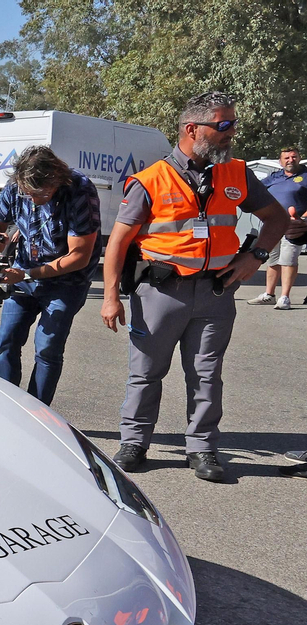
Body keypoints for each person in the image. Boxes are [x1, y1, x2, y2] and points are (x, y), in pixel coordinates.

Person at [100, 90, 297, 483]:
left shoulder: (237, 172)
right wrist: (110, 298)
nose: (232, 133)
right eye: (224, 125)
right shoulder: (150, 180)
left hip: (215, 293)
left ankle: (203, 448)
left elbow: (275, 219)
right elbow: (118, 243)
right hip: (160, 293)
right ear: (193, 129)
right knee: (146, 372)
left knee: (207, 374)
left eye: (233, 124)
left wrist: (254, 257)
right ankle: (135, 442)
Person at [0, 146, 101, 406]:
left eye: (39, 194)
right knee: (6, 342)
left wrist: (27, 273)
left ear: (56, 179)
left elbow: (78, 255)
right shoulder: (16, 187)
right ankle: (9, 407)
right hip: (23, 275)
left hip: (66, 281)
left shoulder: (80, 190)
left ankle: (37, 413)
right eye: (27, 194)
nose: (32, 200)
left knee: (47, 348)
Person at [246, 146, 307, 310]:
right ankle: (269, 295)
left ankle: (285, 297)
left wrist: (304, 218)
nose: (290, 160)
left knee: (288, 260)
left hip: (295, 226)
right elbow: (256, 191)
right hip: (273, 225)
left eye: (293, 157)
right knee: (272, 260)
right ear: (280, 161)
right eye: (286, 158)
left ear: (299, 158)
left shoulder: (305, 176)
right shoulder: (274, 177)